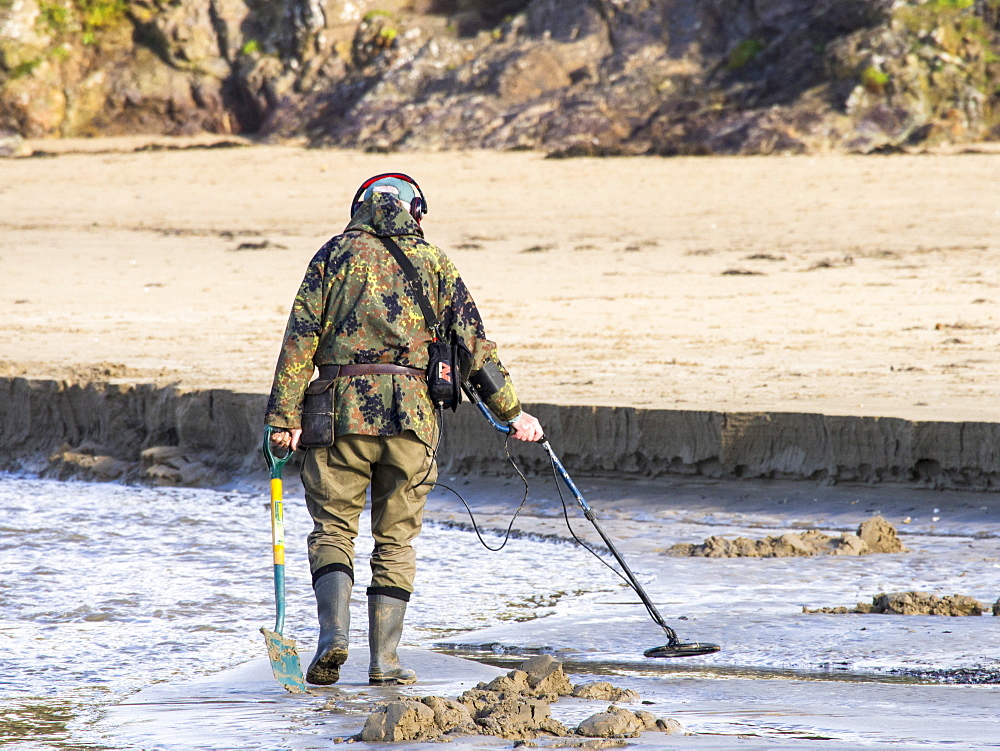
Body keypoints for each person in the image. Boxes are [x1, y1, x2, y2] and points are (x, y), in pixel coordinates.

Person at [265, 173, 543, 687]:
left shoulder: (332, 255)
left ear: (359, 208)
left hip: (337, 416)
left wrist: (283, 419)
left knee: (333, 531)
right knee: (395, 541)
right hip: (413, 421)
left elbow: (298, 340)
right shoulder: (435, 261)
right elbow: (473, 346)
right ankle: (385, 663)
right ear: (417, 211)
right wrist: (513, 414)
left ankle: (333, 638)